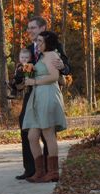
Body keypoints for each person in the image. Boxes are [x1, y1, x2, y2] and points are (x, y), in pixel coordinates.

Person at [12, 16, 70, 181]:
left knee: (47, 132)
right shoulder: (30, 49)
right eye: (28, 28)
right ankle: (32, 170)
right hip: (33, 93)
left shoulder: (53, 49)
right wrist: (18, 78)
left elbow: (63, 68)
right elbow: (25, 69)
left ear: (43, 28)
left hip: (46, 92)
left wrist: (64, 68)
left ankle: (49, 171)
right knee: (28, 131)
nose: (29, 31)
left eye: (33, 28)